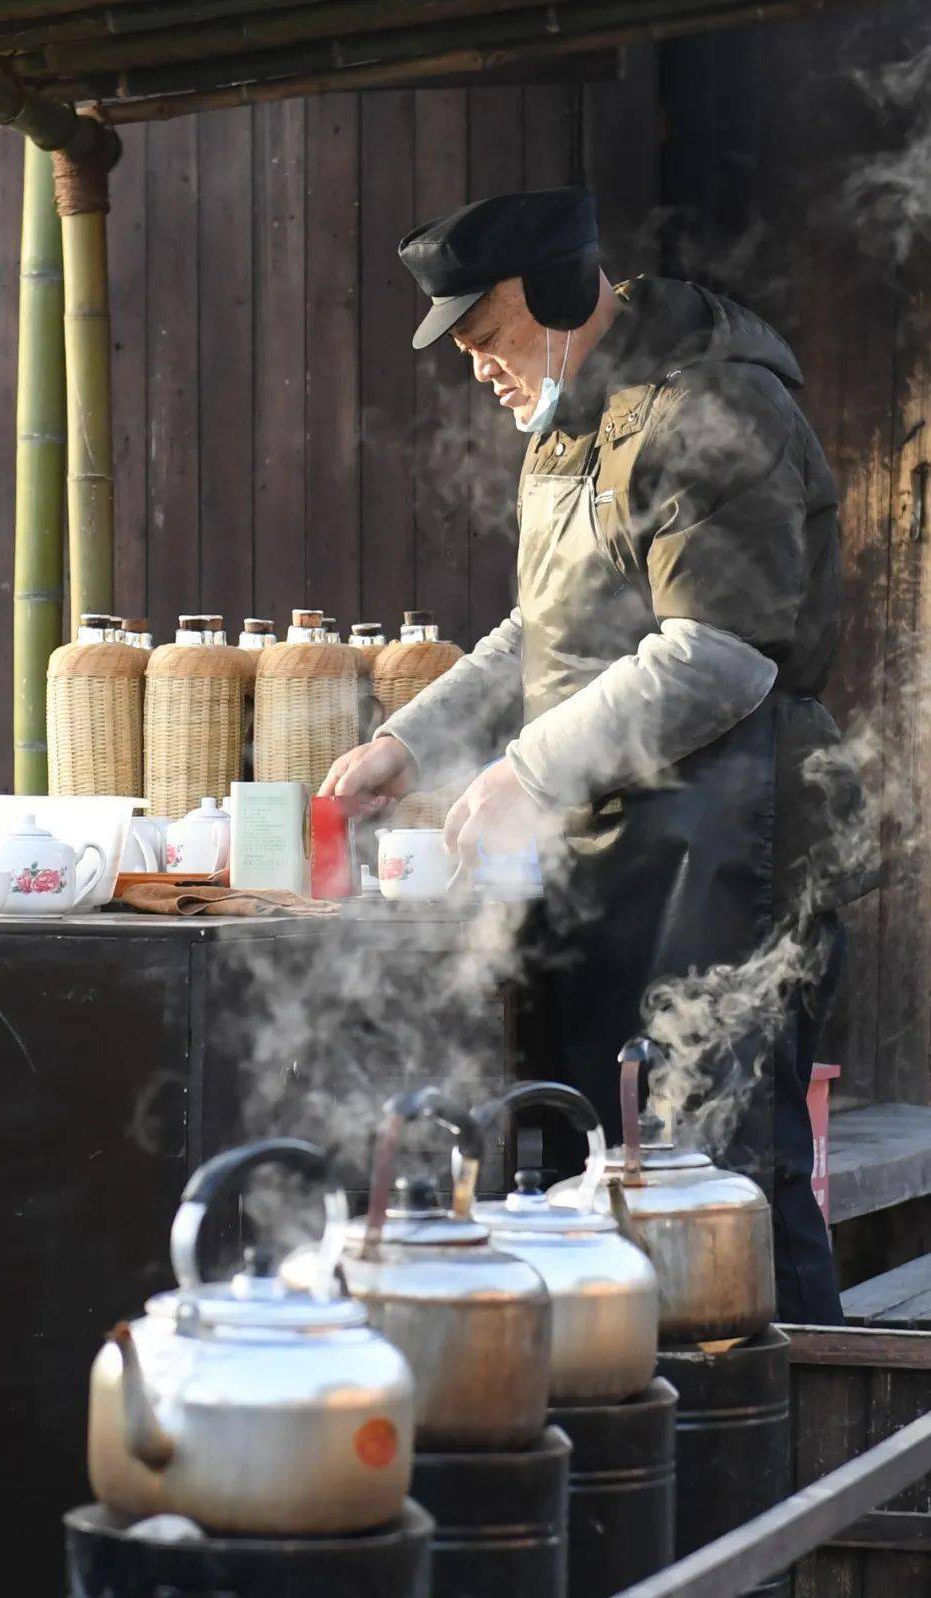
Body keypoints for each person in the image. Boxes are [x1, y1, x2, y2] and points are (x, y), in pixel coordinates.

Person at [321, 187, 875, 1324]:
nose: (477, 369)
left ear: (564, 295)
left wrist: (525, 771)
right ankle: (643, 1452)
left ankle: (780, 1457)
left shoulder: (714, 404)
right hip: (614, 852)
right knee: (603, 1171)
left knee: (722, 1182)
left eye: (486, 338)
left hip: (729, 848)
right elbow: (545, 633)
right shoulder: (570, 420)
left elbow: (721, 657)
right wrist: (409, 745)